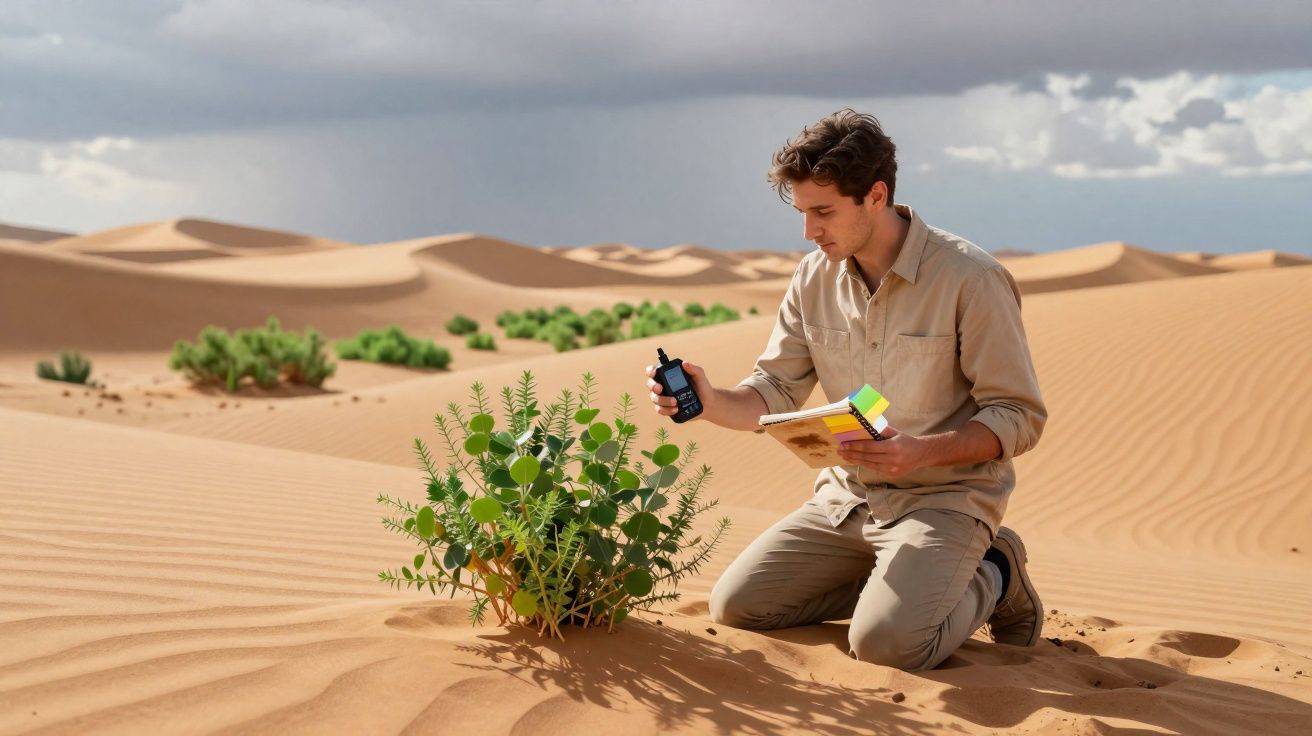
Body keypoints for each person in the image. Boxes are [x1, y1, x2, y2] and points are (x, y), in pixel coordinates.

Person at [643, 108, 1047, 672]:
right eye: (804, 212)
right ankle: (898, 585)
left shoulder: (970, 280)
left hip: (943, 500)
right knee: (738, 607)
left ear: (876, 195)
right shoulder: (813, 277)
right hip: (846, 500)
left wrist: (920, 452)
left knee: (888, 646)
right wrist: (711, 402)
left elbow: (1018, 415)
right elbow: (774, 389)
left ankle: (995, 573)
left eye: (824, 212)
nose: (810, 231)